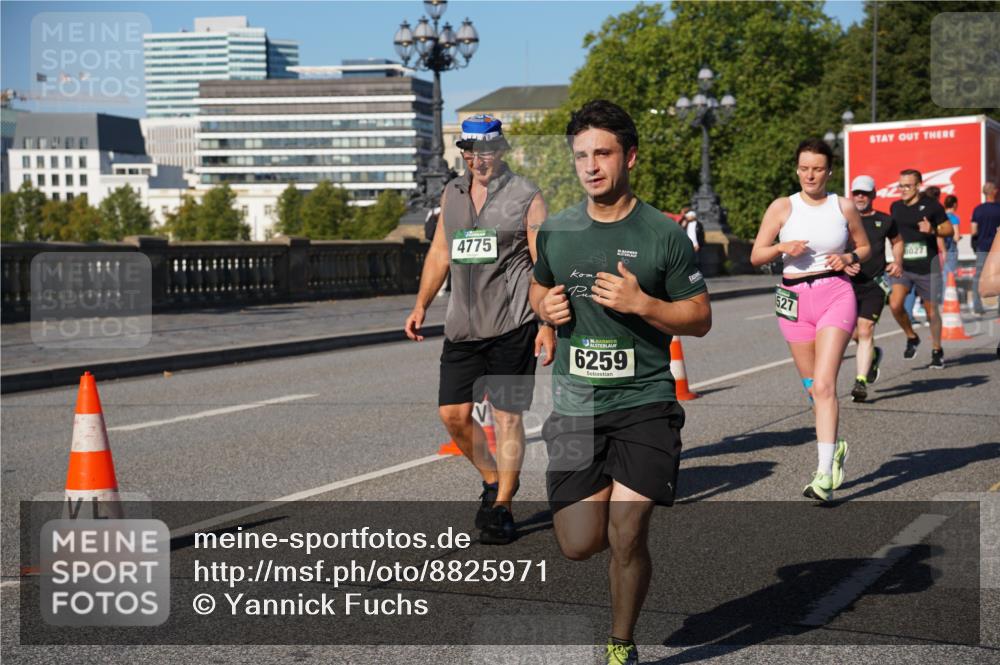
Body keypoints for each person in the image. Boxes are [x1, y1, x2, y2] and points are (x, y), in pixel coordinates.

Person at [530, 100, 711, 665]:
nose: (591, 166)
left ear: (629, 157)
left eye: (602, 153)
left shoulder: (663, 234)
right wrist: (545, 310)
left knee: (627, 531)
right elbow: (538, 286)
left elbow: (700, 317)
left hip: (645, 402)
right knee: (578, 543)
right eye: (581, 155)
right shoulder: (557, 231)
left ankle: (620, 643)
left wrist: (643, 303)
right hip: (576, 403)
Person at [404, 114, 553, 544]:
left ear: (500, 150)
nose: (477, 158)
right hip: (462, 327)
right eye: (470, 151)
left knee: (507, 417)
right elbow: (440, 252)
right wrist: (421, 304)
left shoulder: (526, 195)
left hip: (512, 324)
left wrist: (546, 322)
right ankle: (493, 479)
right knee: (452, 414)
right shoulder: (452, 193)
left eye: (486, 150)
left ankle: (503, 506)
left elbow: (544, 262)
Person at [750, 138, 870, 502]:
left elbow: (865, 246)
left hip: (836, 293)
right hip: (793, 300)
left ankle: (824, 474)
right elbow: (756, 255)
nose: (810, 175)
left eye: (817, 169)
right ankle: (835, 444)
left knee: (824, 385)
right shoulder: (782, 206)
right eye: (804, 168)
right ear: (797, 169)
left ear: (829, 171)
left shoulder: (843, 206)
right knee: (811, 387)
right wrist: (781, 247)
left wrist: (848, 256)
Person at [887, 170, 954, 368]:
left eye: (907, 186)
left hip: (927, 267)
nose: (903, 189)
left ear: (918, 186)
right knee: (895, 304)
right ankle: (912, 336)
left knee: (931, 312)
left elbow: (949, 229)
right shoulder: (895, 207)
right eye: (900, 186)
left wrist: (933, 229)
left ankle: (937, 350)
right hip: (904, 267)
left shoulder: (932, 206)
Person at [845, 175, 902, 403]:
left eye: (865, 193)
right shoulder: (843, 219)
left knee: (865, 329)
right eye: (857, 193)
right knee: (852, 333)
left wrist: (897, 262)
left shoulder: (885, 220)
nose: (860, 197)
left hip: (875, 284)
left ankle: (860, 381)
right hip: (847, 284)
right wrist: (843, 263)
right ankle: (873, 354)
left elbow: (897, 241)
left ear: (873, 195)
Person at [971, 181, 1000, 316]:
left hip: (982, 247)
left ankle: (977, 307)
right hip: (997, 249)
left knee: (979, 277)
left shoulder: (978, 209)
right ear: (994, 191)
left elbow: (973, 230)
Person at [941, 194, 961, 292]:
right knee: (949, 275)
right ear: (954, 204)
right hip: (950, 249)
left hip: (940, 248)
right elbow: (956, 237)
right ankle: (947, 296)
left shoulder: (941, 216)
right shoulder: (954, 218)